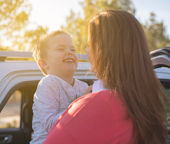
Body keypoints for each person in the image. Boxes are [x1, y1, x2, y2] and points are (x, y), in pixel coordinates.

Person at [44, 10, 169, 144]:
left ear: (102, 51)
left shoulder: (94, 106)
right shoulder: (147, 103)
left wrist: (80, 104)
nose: (86, 50)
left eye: (89, 44)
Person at [30, 30, 90, 144]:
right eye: (61, 49)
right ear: (44, 63)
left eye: (72, 50)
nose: (69, 52)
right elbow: (50, 125)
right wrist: (81, 104)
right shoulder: (48, 84)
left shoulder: (83, 86)